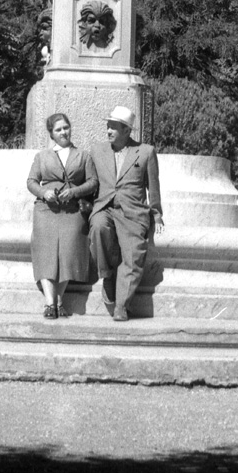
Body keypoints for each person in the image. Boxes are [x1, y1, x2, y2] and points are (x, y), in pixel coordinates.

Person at [88, 106, 164, 321]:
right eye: (108, 126)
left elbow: (153, 186)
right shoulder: (97, 150)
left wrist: (156, 214)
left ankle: (121, 305)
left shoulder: (146, 152)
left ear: (127, 130)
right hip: (105, 207)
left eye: (113, 127)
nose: (108, 131)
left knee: (133, 256)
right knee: (98, 228)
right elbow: (91, 182)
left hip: (133, 212)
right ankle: (107, 276)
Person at [27, 113, 98, 319]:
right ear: (51, 134)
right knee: (46, 252)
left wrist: (74, 192)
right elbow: (31, 181)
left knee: (69, 252)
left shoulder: (83, 156)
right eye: (58, 130)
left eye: (66, 127)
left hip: (72, 210)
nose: (63, 132)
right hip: (46, 210)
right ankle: (50, 303)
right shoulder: (42, 156)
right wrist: (44, 192)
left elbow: (93, 182)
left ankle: (59, 300)